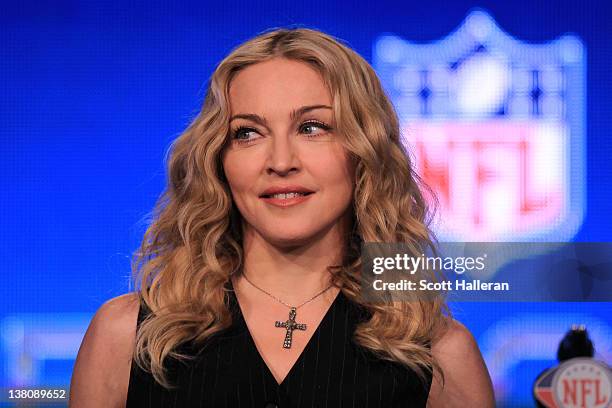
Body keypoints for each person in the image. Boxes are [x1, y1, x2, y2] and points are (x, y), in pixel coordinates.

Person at [69, 27, 495, 407]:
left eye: (312, 127)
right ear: (219, 160)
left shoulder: (439, 356)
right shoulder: (126, 337)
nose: (280, 161)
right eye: (248, 133)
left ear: (364, 152)